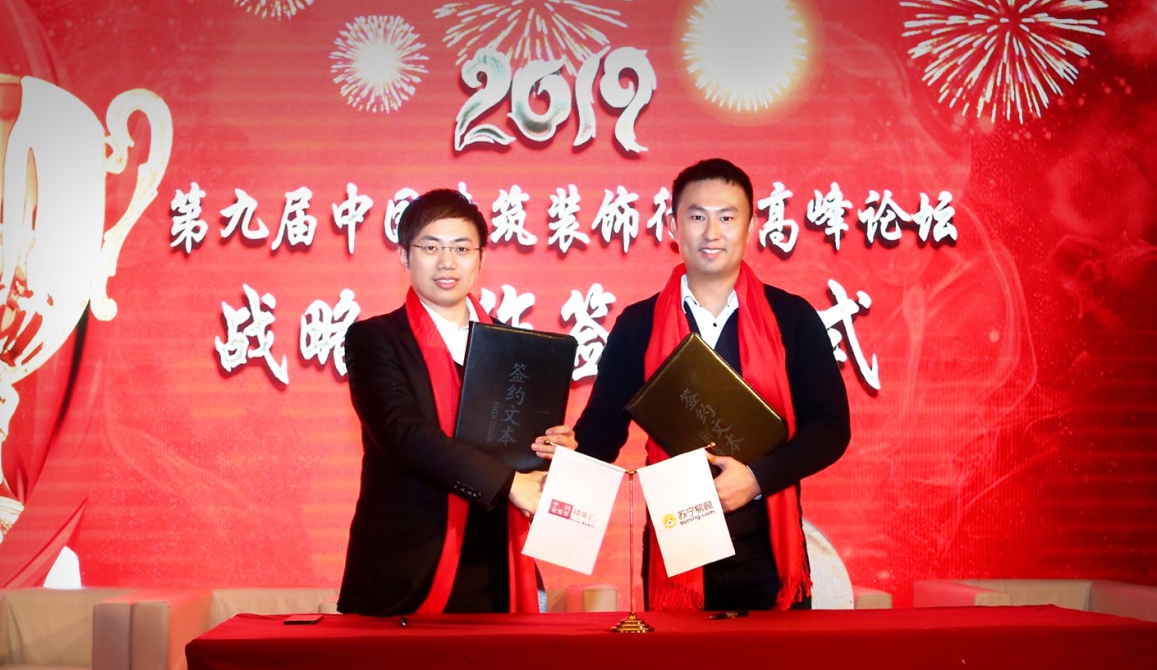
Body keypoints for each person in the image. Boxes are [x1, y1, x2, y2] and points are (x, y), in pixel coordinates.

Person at [573, 158, 850, 611]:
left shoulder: (792, 318)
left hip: (767, 549)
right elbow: (601, 431)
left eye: (727, 217)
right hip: (677, 543)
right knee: (677, 658)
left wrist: (756, 479)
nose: (712, 233)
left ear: (752, 226)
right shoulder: (638, 324)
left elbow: (830, 428)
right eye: (697, 216)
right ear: (673, 226)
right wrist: (565, 454)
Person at [338, 188, 575, 616]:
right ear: (404, 256)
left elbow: (519, 448)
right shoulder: (375, 339)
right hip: (408, 567)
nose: (447, 262)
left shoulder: (515, 347)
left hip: (495, 562)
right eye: (431, 247)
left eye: (462, 249)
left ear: (480, 259)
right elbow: (403, 435)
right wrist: (509, 484)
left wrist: (552, 449)